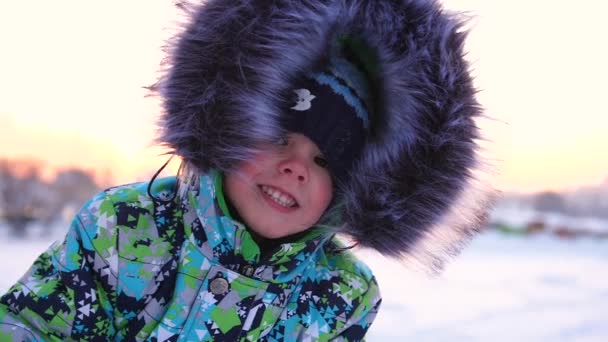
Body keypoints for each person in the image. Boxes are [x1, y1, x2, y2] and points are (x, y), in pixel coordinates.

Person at [0, 0, 493, 340]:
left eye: (325, 161)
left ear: (350, 190)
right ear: (229, 130)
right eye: (279, 138)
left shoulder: (341, 295)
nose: (295, 167)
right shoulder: (122, 226)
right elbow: (33, 324)